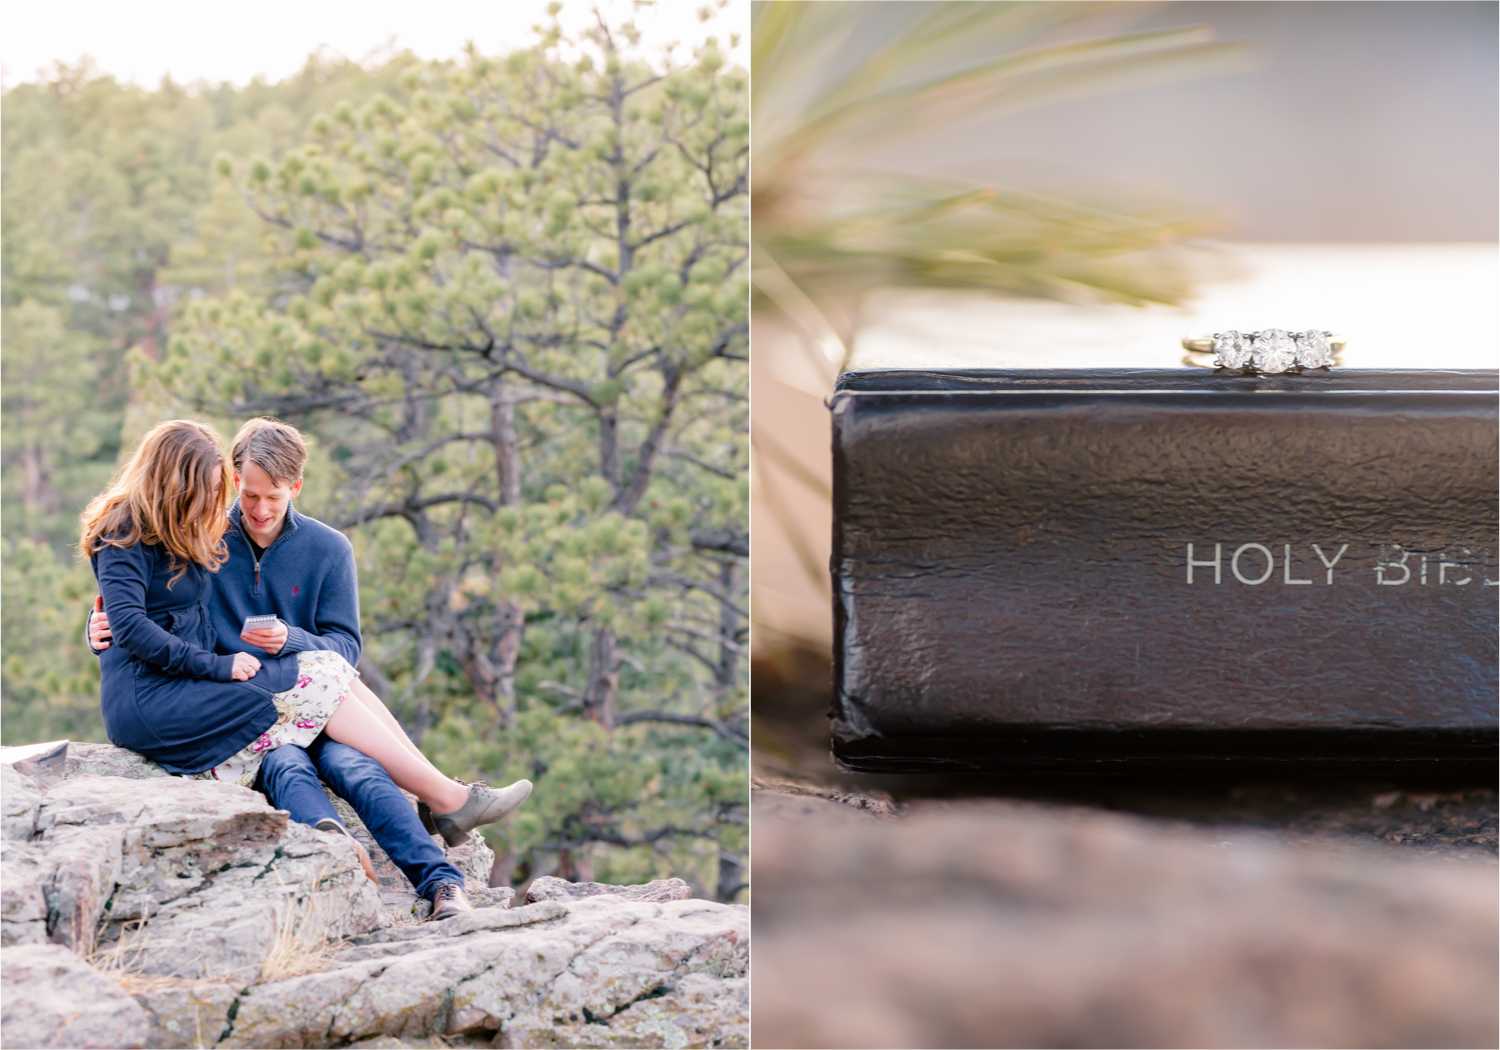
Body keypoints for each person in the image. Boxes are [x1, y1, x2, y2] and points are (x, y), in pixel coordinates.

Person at [83, 419, 528, 920]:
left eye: (272, 496)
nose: (258, 509)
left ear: (295, 486)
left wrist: (290, 639)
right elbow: (144, 606)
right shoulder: (203, 530)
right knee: (289, 763)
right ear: (228, 481)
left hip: (294, 699)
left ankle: (444, 884)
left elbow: (346, 649)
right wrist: (100, 628)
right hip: (237, 702)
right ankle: (391, 829)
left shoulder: (326, 548)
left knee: (357, 766)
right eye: (245, 494)